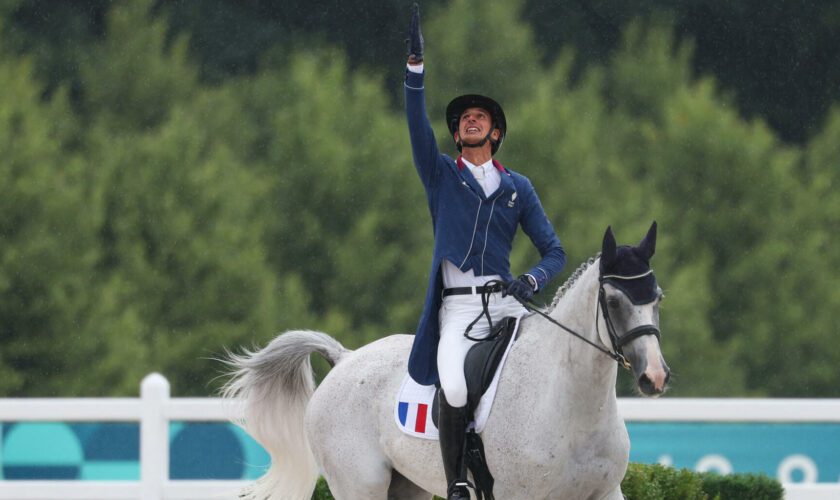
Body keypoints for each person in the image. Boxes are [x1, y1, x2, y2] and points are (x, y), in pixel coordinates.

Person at [404, 4, 566, 499]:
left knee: (548, 370)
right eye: (464, 119)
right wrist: (415, 73)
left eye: (481, 117)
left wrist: (532, 281)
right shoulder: (442, 176)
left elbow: (553, 252)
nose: (471, 121)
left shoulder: (519, 187)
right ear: (456, 135)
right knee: (453, 388)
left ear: (495, 132)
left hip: (507, 303)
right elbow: (415, 123)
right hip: (457, 308)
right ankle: (456, 482)